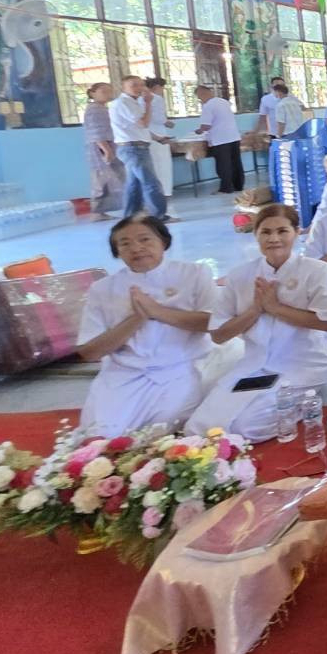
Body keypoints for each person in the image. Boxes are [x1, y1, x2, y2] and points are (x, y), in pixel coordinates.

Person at [186, 205, 327, 441]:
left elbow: (326, 322)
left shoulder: (315, 270)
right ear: (255, 235)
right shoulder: (239, 276)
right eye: (265, 232)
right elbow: (218, 335)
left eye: (282, 231)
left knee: (247, 428)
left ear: (296, 232)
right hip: (253, 365)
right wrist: (255, 310)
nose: (274, 239)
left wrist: (275, 308)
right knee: (198, 426)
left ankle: (297, 409)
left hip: (301, 364)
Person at [76, 214, 215, 436]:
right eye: (125, 243)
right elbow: (89, 352)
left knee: (162, 436)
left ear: (163, 241)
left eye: (144, 239)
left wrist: (157, 311)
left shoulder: (194, 273)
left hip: (178, 368)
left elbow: (214, 323)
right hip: (122, 374)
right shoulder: (102, 289)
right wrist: (137, 319)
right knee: (98, 437)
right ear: (116, 251)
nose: (136, 248)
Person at [110, 75, 167, 219]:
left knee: (134, 185)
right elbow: (143, 123)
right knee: (150, 183)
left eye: (141, 85)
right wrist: (148, 103)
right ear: (123, 88)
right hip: (133, 149)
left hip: (136, 146)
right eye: (134, 85)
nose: (139, 88)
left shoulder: (133, 103)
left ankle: (131, 215)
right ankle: (158, 216)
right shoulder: (123, 103)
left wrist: (156, 138)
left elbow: (138, 128)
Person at [83, 81, 123, 219]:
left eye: (109, 91)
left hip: (109, 146)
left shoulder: (103, 108)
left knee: (110, 179)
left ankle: (101, 211)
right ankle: (97, 212)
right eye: (103, 91)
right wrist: (106, 150)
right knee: (101, 180)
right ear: (93, 93)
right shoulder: (94, 109)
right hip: (101, 149)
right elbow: (96, 132)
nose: (108, 94)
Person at [193, 84, 243, 194]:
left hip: (220, 139)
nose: (200, 100)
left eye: (199, 97)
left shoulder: (208, 106)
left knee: (223, 165)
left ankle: (226, 188)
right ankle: (238, 185)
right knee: (235, 163)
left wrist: (199, 130)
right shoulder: (223, 102)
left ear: (202, 94)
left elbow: (206, 125)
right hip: (233, 137)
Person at [144, 78, 176, 210]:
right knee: (163, 167)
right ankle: (164, 195)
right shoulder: (156, 99)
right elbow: (158, 118)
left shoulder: (140, 100)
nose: (163, 91)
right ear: (157, 87)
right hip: (158, 136)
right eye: (162, 88)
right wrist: (167, 122)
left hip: (146, 137)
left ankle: (152, 197)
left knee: (152, 168)